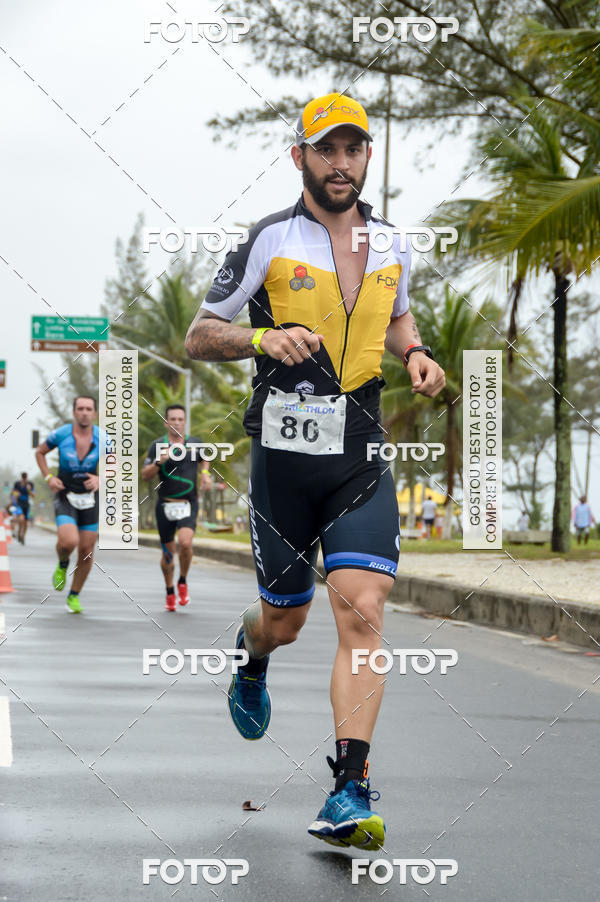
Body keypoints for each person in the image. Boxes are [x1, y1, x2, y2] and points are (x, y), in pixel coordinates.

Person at [185, 92, 446, 850]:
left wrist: (416, 353)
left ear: (368, 159)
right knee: (287, 621)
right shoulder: (268, 240)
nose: (342, 163)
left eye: (354, 150)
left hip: (358, 449)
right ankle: (252, 653)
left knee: (364, 608)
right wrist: (261, 342)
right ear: (299, 157)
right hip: (284, 457)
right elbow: (201, 334)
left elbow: (396, 315)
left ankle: (349, 787)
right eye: (327, 150)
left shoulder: (392, 241)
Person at [141, 404, 211, 611]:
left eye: (180, 419)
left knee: (186, 543)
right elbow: (145, 474)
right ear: (166, 422)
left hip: (189, 504)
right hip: (165, 506)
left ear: (185, 421)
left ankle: (182, 581)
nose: (177, 422)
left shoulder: (195, 443)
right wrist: (159, 462)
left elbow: (205, 459)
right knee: (168, 555)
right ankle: (169, 590)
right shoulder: (157, 446)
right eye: (173, 419)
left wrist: (205, 475)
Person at [35, 396, 100, 613]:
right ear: (74, 412)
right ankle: (63, 563)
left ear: (95, 413)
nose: (84, 412)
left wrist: (102, 479)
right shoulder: (61, 434)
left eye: (88, 409)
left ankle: (74, 595)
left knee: (87, 550)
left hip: (90, 497)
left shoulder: (103, 437)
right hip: (65, 494)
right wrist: (48, 478)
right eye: (80, 408)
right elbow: (40, 452)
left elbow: (115, 463)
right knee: (68, 542)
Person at [10, 472, 35, 544]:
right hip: (19, 503)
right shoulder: (17, 484)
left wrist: (29, 490)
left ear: (26, 477)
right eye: (23, 477)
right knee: (21, 519)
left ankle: (23, 536)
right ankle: (19, 533)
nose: (24, 479)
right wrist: (16, 494)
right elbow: (12, 493)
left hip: (26, 504)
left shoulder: (30, 484)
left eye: (25, 477)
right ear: (21, 477)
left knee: (25, 522)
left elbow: (33, 495)